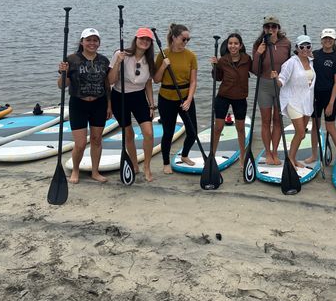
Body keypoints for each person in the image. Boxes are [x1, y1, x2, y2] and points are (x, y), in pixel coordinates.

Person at [58, 28, 111, 184]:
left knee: (96, 140)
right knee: (80, 144)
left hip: (99, 103)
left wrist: (109, 105)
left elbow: (107, 84)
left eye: (95, 40)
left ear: (99, 43)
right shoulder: (71, 59)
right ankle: (75, 170)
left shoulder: (103, 61)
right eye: (88, 40)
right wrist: (63, 73)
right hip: (78, 104)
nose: (92, 43)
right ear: (82, 42)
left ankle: (95, 171)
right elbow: (62, 86)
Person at [108, 28, 157, 182]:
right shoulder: (120, 54)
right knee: (128, 134)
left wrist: (151, 104)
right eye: (142, 38)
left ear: (150, 44)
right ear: (136, 39)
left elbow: (148, 83)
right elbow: (110, 80)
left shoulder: (149, 61)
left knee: (148, 133)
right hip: (119, 96)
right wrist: (118, 62)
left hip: (139, 98)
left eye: (148, 40)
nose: (144, 41)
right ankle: (134, 164)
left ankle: (147, 166)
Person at [153, 23, 198, 174]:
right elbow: (156, 80)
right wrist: (163, 66)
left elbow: (193, 81)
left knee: (192, 132)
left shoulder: (191, 56)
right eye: (183, 39)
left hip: (185, 98)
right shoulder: (163, 54)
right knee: (168, 132)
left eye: (188, 40)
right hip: (166, 99)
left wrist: (189, 99)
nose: (185, 42)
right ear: (174, 38)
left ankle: (184, 155)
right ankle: (166, 162)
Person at [252, 15, 291, 165]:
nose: (270, 29)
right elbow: (255, 70)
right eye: (267, 27)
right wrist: (258, 54)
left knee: (278, 120)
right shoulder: (258, 44)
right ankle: (267, 152)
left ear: (278, 29)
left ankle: (275, 151)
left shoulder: (286, 43)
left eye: (273, 27)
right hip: (264, 86)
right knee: (266, 121)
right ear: (264, 29)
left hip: (281, 86)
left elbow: (290, 66)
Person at [209, 33, 252, 165]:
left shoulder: (247, 59)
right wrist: (214, 66)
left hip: (240, 98)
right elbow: (218, 78)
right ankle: (212, 155)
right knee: (218, 128)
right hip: (223, 97)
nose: (233, 46)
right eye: (230, 43)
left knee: (240, 128)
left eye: (236, 43)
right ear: (227, 45)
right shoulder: (223, 60)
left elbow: (257, 70)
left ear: (240, 45)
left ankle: (243, 157)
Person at [274, 34, 316, 168]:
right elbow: (282, 79)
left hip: (307, 102)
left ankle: (293, 157)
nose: (305, 49)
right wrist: (277, 80)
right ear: (297, 48)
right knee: (301, 132)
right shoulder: (291, 62)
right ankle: (290, 158)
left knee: (301, 134)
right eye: (301, 46)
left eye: (308, 46)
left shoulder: (311, 61)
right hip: (293, 101)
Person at [309, 28, 336, 166]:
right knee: (315, 126)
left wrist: (331, 103)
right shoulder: (315, 54)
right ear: (321, 39)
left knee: (330, 127)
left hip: (330, 97)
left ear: (334, 40)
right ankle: (313, 155)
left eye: (330, 39)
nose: (327, 41)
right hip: (315, 96)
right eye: (325, 38)